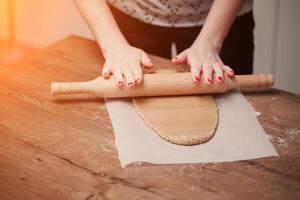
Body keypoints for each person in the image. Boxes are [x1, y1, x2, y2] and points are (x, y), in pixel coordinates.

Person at [74, 0, 254, 87]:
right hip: (130, 15)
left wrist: (211, 42)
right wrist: (113, 45)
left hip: (219, 18)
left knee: (228, 101)